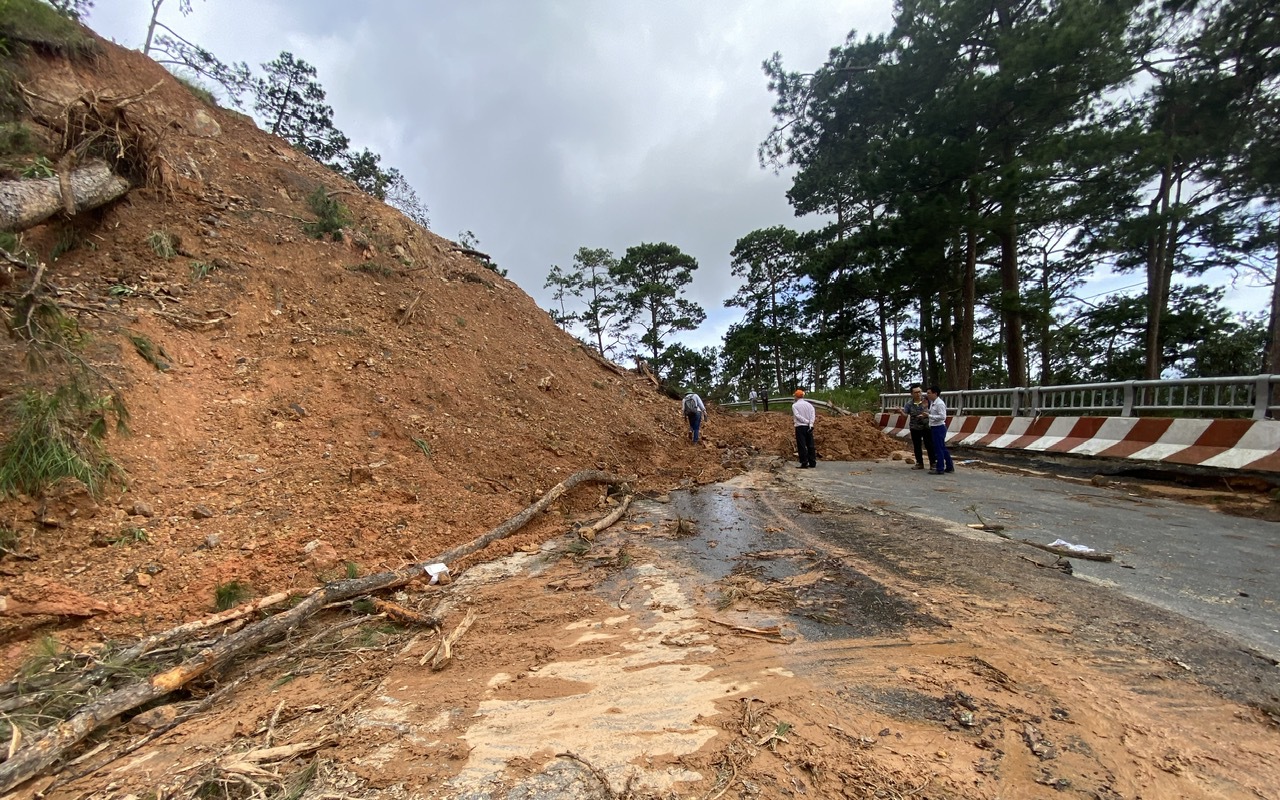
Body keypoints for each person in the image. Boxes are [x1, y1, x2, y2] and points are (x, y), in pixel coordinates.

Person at [902, 383, 936, 470]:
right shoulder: (909, 404)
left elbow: (934, 412)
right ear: (912, 394)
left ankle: (933, 463)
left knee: (929, 445)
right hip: (915, 427)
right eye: (916, 392)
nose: (918, 394)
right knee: (917, 445)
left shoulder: (928, 401)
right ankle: (919, 463)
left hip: (926, 426)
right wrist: (899, 411)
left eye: (919, 392)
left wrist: (927, 415)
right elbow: (905, 415)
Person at [926, 385, 955, 475]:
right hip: (935, 427)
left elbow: (943, 417)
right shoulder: (933, 403)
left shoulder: (939, 404)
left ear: (935, 393)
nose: (928, 395)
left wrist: (929, 416)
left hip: (939, 427)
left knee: (938, 448)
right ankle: (949, 466)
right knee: (942, 448)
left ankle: (940, 468)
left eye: (929, 393)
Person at [792, 389, 817, 468]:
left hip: (800, 426)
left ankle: (804, 462)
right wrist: (810, 423)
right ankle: (812, 462)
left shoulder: (795, 405)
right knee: (810, 444)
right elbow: (813, 414)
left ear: (796, 396)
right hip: (809, 426)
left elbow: (797, 416)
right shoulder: (809, 405)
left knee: (802, 445)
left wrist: (806, 421)